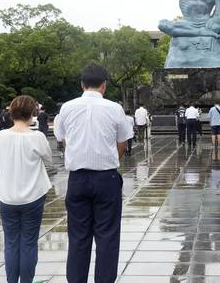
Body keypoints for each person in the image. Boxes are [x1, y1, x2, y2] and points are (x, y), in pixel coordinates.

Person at [54, 63, 133, 283]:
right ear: (104, 86)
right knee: (107, 236)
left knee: (78, 237)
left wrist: (79, 150)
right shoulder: (115, 108)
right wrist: (110, 161)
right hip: (106, 178)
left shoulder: (67, 107)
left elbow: (62, 137)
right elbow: (123, 142)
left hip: (77, 178)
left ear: (82, 84)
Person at [0, 95, 52, 283]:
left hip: (7, 195)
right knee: (28, 242)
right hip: (33, 196)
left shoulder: (1, 136)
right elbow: (49, 159)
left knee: (11, 243)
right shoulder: (37, 137)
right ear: (32, 113)